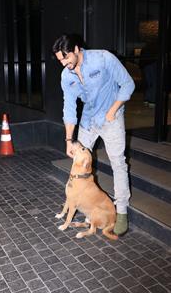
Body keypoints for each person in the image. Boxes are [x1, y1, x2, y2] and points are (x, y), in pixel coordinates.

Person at [52, 34, 135, 235]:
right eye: (60, 60)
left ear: (77, 49)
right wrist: (69, 140)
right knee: (77, 161)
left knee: (118, 163)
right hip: (88, 120)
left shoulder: (103, 58)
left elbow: (128, 84)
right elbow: (69, 108)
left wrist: (112, 110)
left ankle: (121, 210)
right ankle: (79, 200)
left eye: (66, 57)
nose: (64, 64)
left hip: (111, 119)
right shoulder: (67, 75)